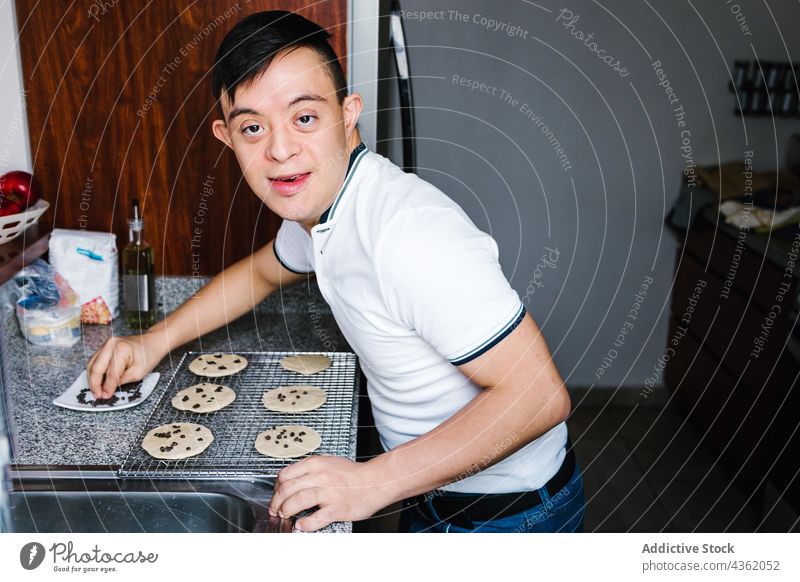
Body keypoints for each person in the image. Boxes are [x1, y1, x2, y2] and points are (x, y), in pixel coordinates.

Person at [87, 10, 586, 533]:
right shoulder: (320, 210)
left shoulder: (407, 232)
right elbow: (258, 275)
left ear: (348, 114)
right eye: (253, 128)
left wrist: (373, 482)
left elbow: (539, 398)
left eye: (305, 117)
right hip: (431, 490)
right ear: (226, 137)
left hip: (510, 517)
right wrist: (152, 342)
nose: (280, 150)